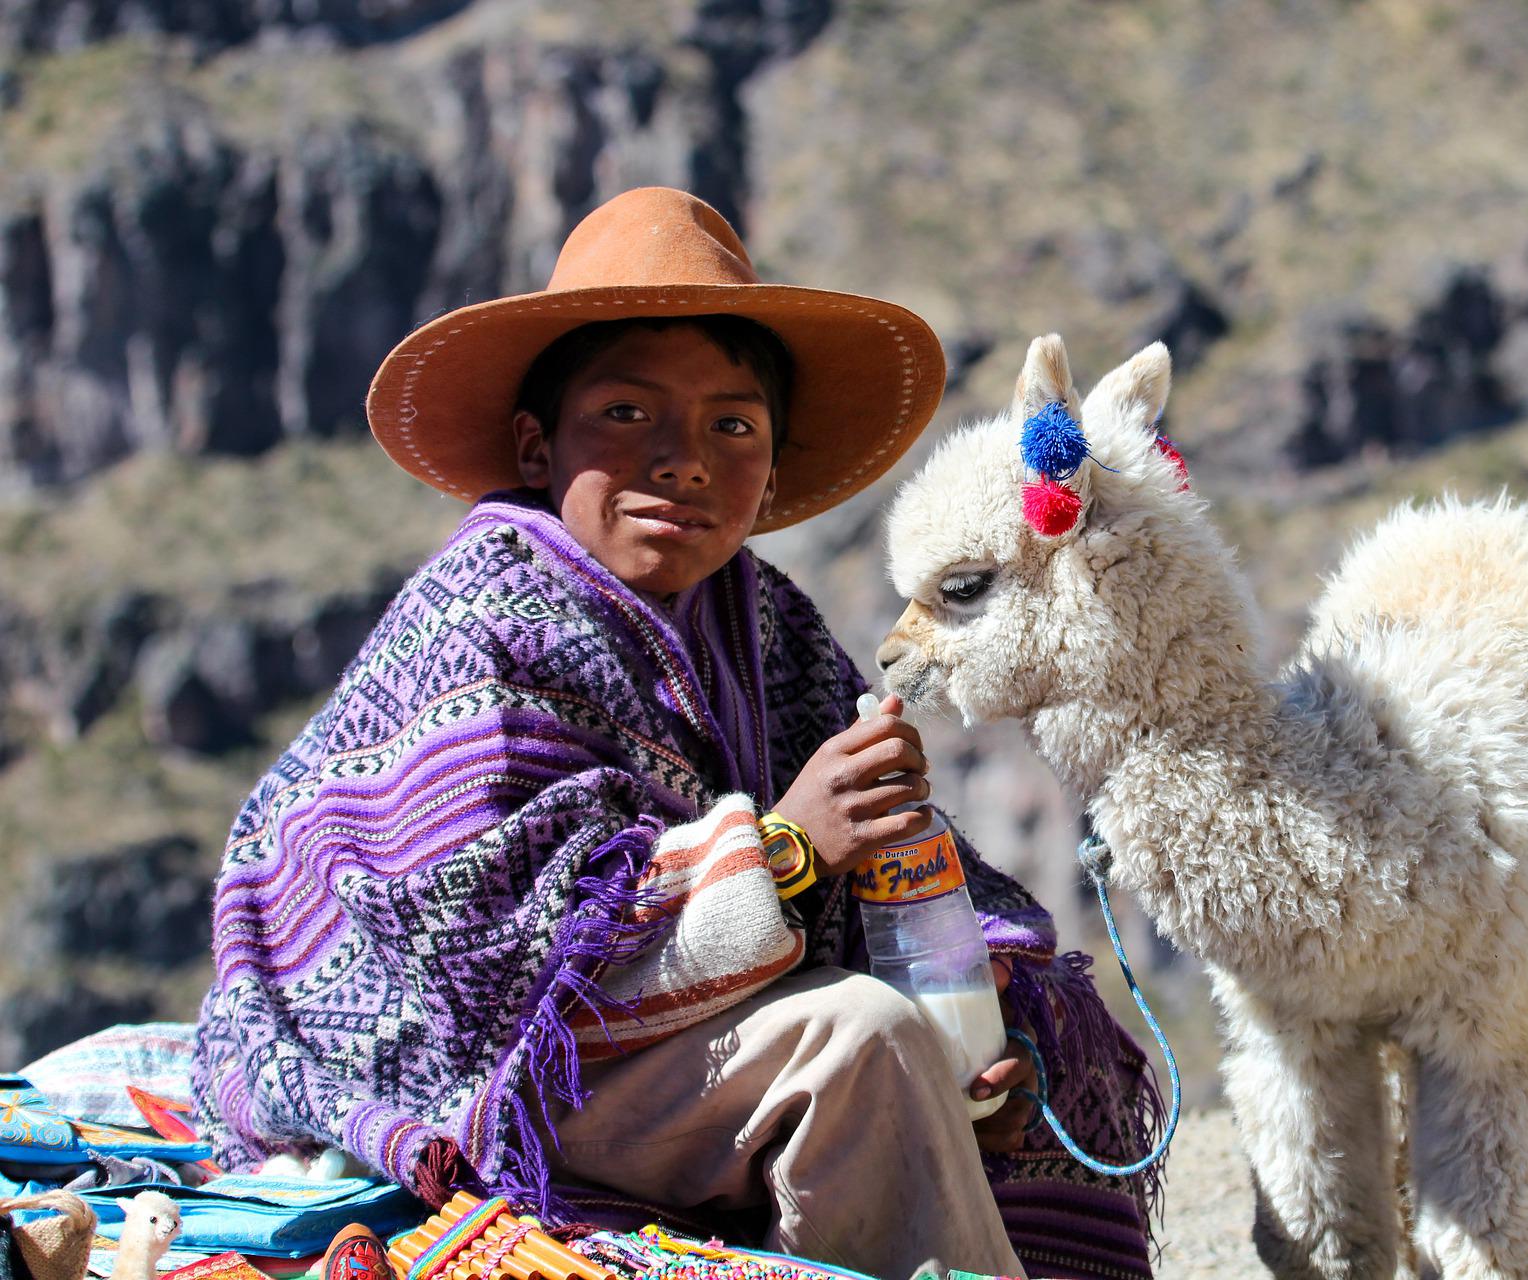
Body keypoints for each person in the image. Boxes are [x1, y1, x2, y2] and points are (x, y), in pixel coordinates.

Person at [191, 188, 1163, 1280]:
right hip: (478, 1080)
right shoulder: (484, 623)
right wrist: (786, 848)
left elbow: (900, 874)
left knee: (986, 1033)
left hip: (653, 1051)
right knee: (858, 1039)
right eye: (624, 414)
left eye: (732, 425)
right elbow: (490, 976)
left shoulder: (765, 621)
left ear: (773, 465)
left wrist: (979, 1008)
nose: (684, 458)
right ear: (534, 443)